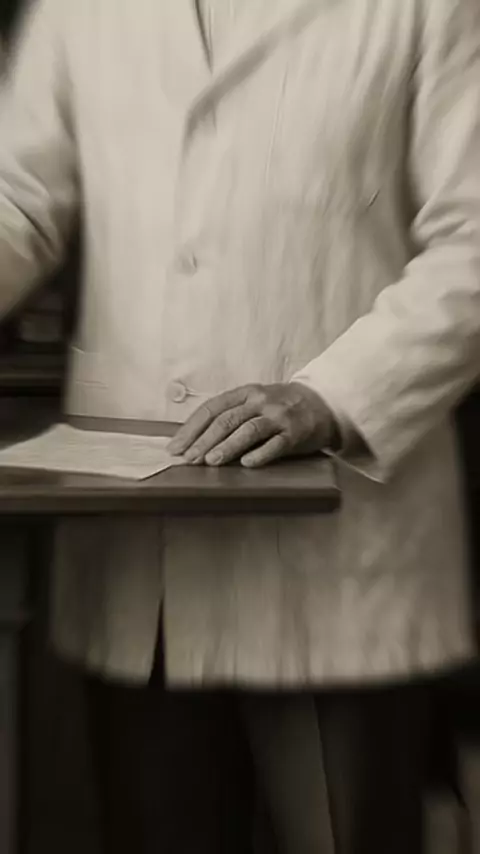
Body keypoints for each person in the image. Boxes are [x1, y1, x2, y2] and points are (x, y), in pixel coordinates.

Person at [1, 0, 480, 851]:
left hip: (342, 554)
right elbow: (19, 200)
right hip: (137, 555)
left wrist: (331, 395)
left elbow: (473, 241)